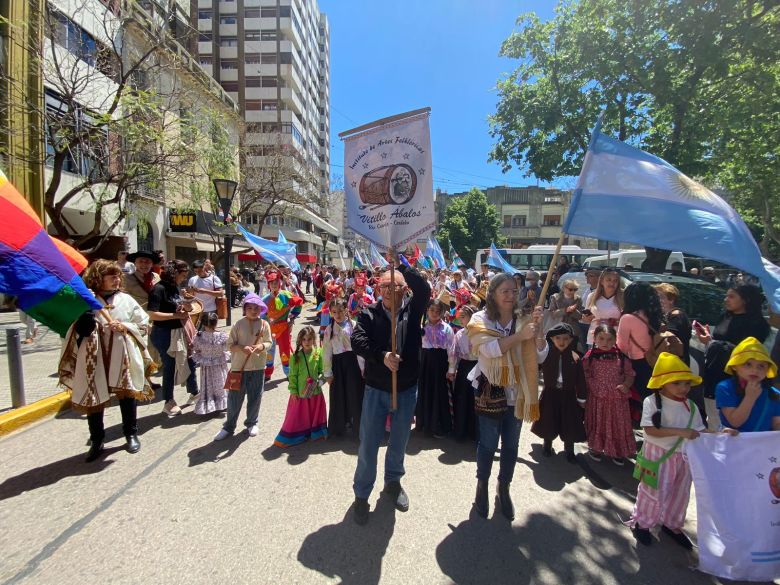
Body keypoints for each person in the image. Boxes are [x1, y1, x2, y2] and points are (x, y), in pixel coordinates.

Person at [627, 353, 736, 548]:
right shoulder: (652, 402)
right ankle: (642, 524)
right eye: (677, 383)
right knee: (652, 491)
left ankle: (672, 524)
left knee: (680, 493)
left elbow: (700, 431)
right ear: (662, 382)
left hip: (684, 458)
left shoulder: (691, 405)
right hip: (658, 456)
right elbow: (649, 430)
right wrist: (681, 432)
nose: (683, 388)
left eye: (686, 383)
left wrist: (720, 433)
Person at [350, 263, 430, 525]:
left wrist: (400, 264)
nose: (387, 290)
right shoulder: (368, 313)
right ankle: (362, 495)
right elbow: (358, 342)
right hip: (376, 390)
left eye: (393, 286)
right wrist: (382, 356)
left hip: (406, 390)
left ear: (404, 289)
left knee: (398, 443)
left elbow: (424, 288)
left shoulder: (413, 309)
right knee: (369, 445)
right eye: (383, 285)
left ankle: (393, 483)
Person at [58, 260, 154, 461]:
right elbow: (75, 331)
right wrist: (85, 315)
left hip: (121, 354)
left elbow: (144, 324)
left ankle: (130, 433)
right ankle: (97, 440)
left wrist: (126, 326)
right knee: (95, 398)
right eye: (112, 277)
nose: (117, 280)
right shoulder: (85, 300)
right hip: (94, 356)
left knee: (126, 395)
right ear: (97, 279)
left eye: (117, 276)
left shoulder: (126, 300)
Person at [467, 274, 541, 520]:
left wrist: (538, 336)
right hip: (491, 389)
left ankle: (504, 487)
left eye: (513, 291)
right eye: (504, 291)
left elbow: (539, 357)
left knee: (510, 446)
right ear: (493, 294)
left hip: (518, 393)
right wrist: (520, 338)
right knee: (488, 444)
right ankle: (482, 486)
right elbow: (487, 350)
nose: (510, 296)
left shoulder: (524, 319)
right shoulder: (480, 319)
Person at [696, 284, 770, 426]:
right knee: (713, 419)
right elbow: (720, 343)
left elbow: (747, 354)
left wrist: (713, 344)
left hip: (739, 381)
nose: (726, 299)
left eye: (731, 296)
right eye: (726, 295)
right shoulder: (725, 316)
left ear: (745, 300)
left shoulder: (756, 324)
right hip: (714, 375)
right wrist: (708, 341)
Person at [214, 293, 272, 440]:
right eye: (250, 307)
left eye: (256, 308)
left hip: (258, 367)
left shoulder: (265, 324)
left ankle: (252, 422)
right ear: (244, 309)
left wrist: (261, 346)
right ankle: (228, 427)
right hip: (239, 368)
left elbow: (269, 342)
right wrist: (241, 348)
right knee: (234, 399)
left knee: (255, 397)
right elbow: (229, 345)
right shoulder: (238, 325)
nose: (253, 310)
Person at [147, 260, 199, 416]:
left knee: (189, 360)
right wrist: (176, 315)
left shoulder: (175, 287)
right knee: (169, 366)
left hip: (179, 331)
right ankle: (168, 401)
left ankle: (194, 393)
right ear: (174, 272)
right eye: (182, 275)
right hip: (163, 333)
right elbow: (152, 314)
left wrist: (187, 301)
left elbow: (184, 308)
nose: (183, 279)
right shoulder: (159, 289)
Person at [531, 323, 587, 463]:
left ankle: (569, 449)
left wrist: (581, 398)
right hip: (550, 393)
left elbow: (580, 380)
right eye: (558, 338)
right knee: (548, 419)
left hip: (568, 394)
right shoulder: (546, 355)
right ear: (552, 339)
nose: (562, 342)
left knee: (569, 422)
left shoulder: (575, 358)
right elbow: (534, 368)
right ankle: (547, 444)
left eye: (566, 338)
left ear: (571, 340)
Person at [582, 324, 636, 464]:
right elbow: (584, 373)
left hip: (617, 399)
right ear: (594, 339)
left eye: (609, 339)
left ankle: (617, 450)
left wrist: (626, 385)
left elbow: (630, 374)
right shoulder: (590, 356)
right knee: (598, 422)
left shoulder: (621, 357)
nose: (605, 343)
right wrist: (591, 386)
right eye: (601, 339)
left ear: (615, 340)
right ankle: (597, 447)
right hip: (597, 398)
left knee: (616, 424)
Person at [617, 282, 669, 422]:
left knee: (644, 401)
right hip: (657, 361)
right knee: (656, 398)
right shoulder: (656, 316)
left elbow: (621, 346)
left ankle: (649, 432)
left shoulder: (627, 318)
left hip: (637, 363)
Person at [274, 326, 328, 447]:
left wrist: (320, 381)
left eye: (309, 339)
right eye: (304, 339)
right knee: (298, 415)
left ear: (313, 339)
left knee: (314, 412)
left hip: (315, 391)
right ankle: (297, 434)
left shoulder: (318, 353)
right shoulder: (296, 356)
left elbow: (321, 370)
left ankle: (314, 431)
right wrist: (293, 391)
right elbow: (292, 376)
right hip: (300, 392)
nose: (307, 342)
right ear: (300, 341)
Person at [716, 337, 780, 432]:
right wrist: (750, 397)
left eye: (761, 366)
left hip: (760, 445)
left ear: (767, 370)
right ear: (734, 365)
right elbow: (735, 422)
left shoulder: (774, 394)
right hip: (732, 444)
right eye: (748, 364)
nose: (755, 370)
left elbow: (776, 424)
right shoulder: (725, 387)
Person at [323, 298, 364, 437]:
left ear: (346, 310)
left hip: (353, 363)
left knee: (354, 393)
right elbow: (326, 352)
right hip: (338, 365)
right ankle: (340, 425)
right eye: (334, 312)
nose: (338, 314)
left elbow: (360, 348)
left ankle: (356, 424)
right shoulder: (329, 330)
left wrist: (363, 368)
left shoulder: (354, 325)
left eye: (341, 311)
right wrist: (327, 372)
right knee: (339, 394)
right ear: (330, 313)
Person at [416, 298, 455, 438]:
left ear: (442, 313)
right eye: (431, 310)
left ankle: (439, 425)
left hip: (440, 365)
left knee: (440, 393)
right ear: (426, 310)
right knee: (425, 392)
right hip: (425, 365)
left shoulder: (447, 328)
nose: (434, 313)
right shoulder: (421, 328)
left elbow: (452, 350)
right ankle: (424, 423)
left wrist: (451, 369)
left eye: (438, 311)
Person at [262, 270, 303, 379]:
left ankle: (288, 372)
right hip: (270, 329)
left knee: (284, 350)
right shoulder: (265, 299)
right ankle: (268, 371)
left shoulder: (286, 295)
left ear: (279, 283)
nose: (274, 285)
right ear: (268, 285)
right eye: (271, 283)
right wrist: (265, 322)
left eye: (276, 282)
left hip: (284, 327)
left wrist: (292, 317)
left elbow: (299, 302)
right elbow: (261, 313)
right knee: (269, 350)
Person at [448, 305, 478, 441]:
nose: (461, 319)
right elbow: (454, 355)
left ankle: (474, 432)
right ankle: (460, 431)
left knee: (475, 400)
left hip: (478, 368)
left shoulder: (480, 333)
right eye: (460, 317)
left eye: (463, 317)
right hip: (464, 368)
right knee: (462, 398)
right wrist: (452, 371)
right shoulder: (459, 334)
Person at [191, 312, 229, 416]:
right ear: (216, 323)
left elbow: (196, 350)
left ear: (203, 323)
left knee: (208, 384)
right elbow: (227, 347)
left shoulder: (199, 337)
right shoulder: (222, 336)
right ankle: (222, 403)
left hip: (206, 366)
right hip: (219, 364)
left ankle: (209, 403)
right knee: (221, 382)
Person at [583, 268, 624, 347]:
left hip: (615, 340)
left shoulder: (623, 297)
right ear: (601, 281)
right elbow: (586, 319)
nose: (612, 283)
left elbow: (627, 320)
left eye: (615, 281)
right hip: (594, 339)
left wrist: (609, 322)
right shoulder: (592, 296)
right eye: (608, 280)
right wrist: (586, 318)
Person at [654, 283, 692, 364]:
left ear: (671, 300)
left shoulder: (677, 316)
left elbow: (668, 338)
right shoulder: (666, 315)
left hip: (676, 363)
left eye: (660, 297)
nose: (657, 300)